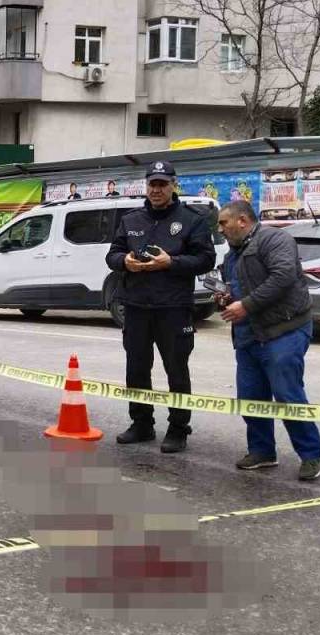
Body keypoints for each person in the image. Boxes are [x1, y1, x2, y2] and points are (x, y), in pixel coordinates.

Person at [106, 161, 217, 453]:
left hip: (173, 308)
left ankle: (178, 428)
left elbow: (206, 259)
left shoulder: (192, 220)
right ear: (147, 186)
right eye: (152, 184)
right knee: (137, 369)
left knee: (176, 370)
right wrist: (124, 262)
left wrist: (173, 262)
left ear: (173, 185)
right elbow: (113, 254)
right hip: (137, 306)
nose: (156, 189)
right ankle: (141, 424)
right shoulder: (132, 219)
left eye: (162, 184)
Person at [215, 200, 320, 481]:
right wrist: (226, 300)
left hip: (284, 330)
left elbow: (283, 277)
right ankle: (262, 451)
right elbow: (236, 290)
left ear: (242, 220)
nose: (220, 229)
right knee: (250, 397)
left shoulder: (275, 239)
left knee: (287, 395)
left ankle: (311, 455)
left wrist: (246, 305)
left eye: (223, 222)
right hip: (249, 336)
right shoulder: (231, 256)